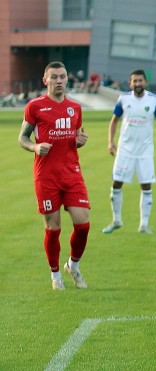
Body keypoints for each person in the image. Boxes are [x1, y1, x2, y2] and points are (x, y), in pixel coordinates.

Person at [18, 61, 90, 290]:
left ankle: (73, 265)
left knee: (83, 225)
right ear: (45, 80)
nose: (59, 81)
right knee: (53, 227)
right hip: (46, 176)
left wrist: (80, 141)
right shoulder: (35, 106)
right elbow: (22, 138)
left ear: (67, 79)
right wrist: (35, 147)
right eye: (54, 77)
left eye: (62, 76)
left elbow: (76, 137)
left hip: (72, 173)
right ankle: (56, 275)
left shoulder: (75, 108)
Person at [102, 69, 156, 235]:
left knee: (146, 185)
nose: (138, 83)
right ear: (130, 83)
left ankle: (144, 225)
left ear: (145, 82)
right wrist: (110, 142)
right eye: (135, 81)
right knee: (116, 183)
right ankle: (116, 220)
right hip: (125, 150)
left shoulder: (154, 100)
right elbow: (114, 121)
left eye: (140, 80)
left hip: (145, 151)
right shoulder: (123, 99)